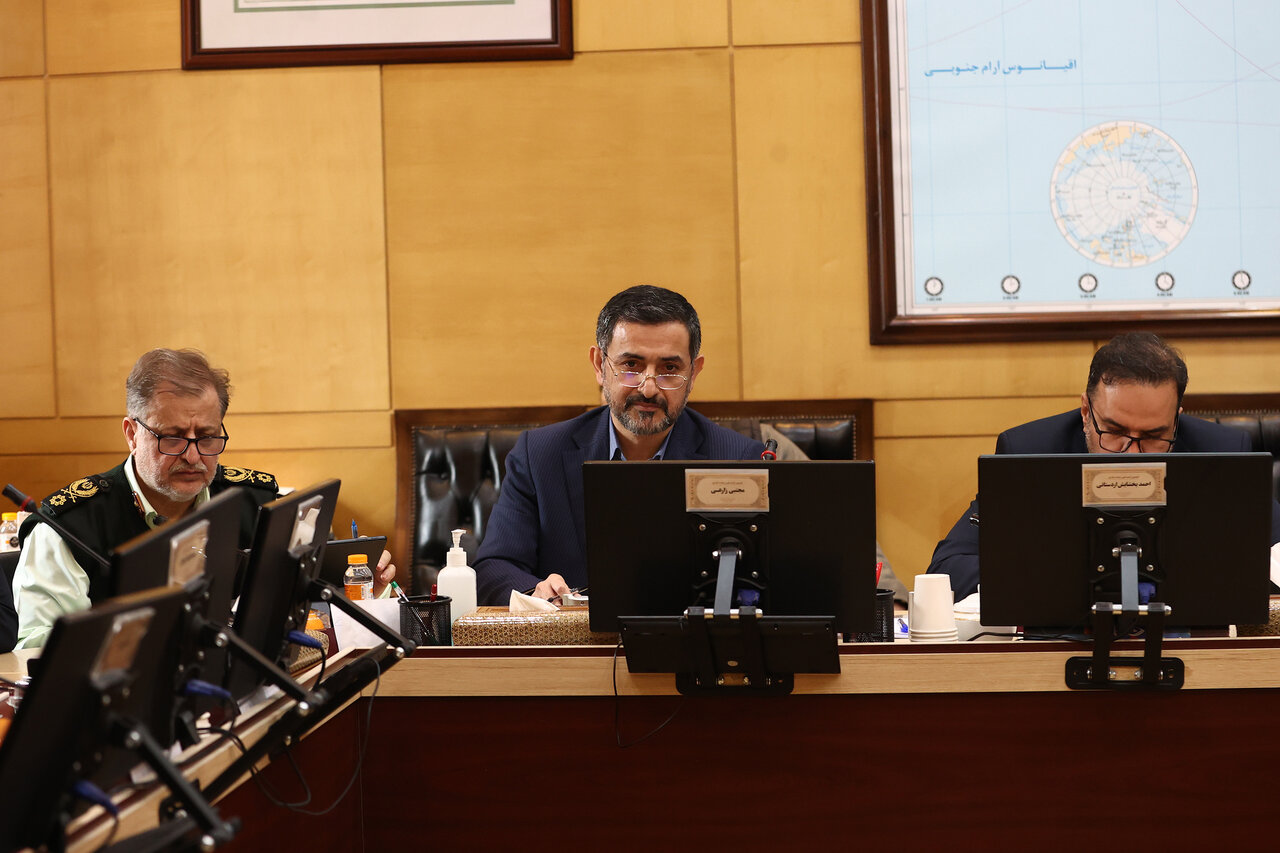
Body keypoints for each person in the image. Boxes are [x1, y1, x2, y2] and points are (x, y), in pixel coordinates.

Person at [11, 348, 396, 649]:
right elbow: (40, 651)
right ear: (131, 434)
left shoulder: (260, 504)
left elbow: (313, 602)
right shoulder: (67, 526)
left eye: (208, 437)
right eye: (173, 437)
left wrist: (358, 589)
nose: (194, 456)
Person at [927, 332, 1280, 600]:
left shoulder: (1223, 453)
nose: (1133, 454)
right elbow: (949, 569)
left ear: (1177, 419)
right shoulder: (1028, 451)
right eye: (1114, 431)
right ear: (1086, 411)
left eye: (1154, 435)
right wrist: (1075, 576)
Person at [474, 285, 766, 605]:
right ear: (600, 365)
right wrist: (536, 593)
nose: (649, 388)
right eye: (632, 365)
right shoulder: (540, 454)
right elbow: (494, 567)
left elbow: (765, 580)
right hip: (576, 637)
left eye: (669, 369)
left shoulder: (739, 460)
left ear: (693, 373)